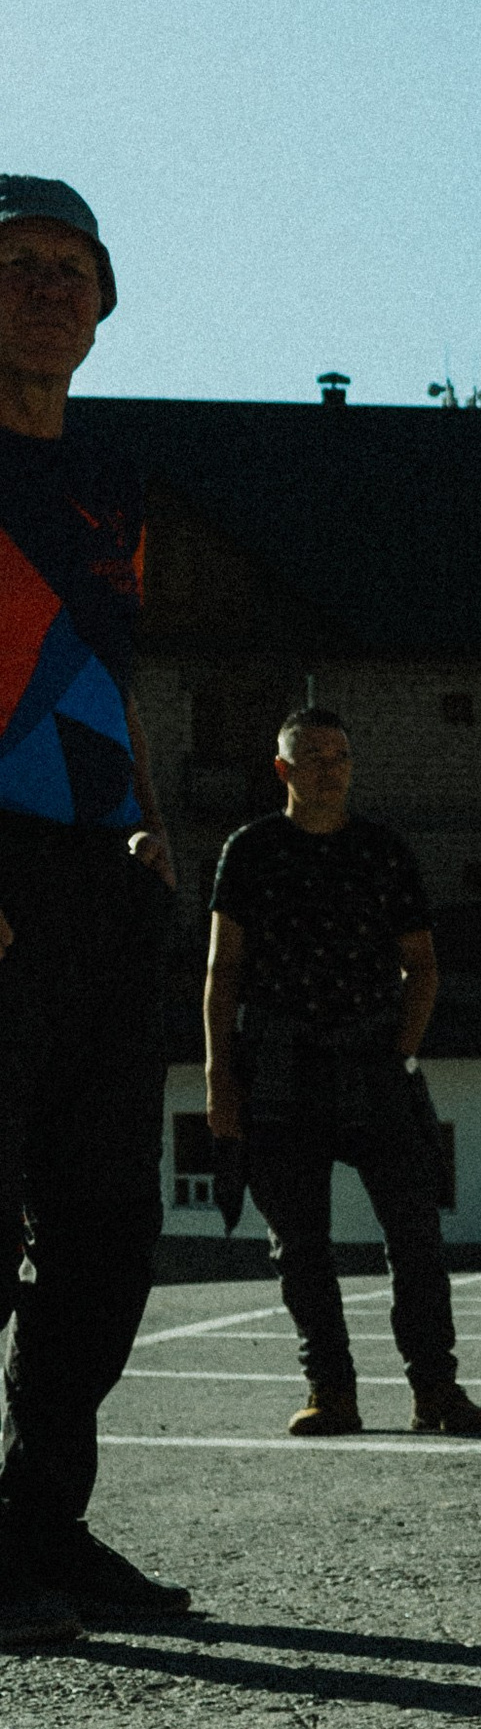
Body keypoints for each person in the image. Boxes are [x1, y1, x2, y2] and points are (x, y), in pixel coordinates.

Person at [0, 175, 191, 1647]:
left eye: (76, 269)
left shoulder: (110, 480)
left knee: (109, 1225)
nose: (52, 289)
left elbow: (104, 664)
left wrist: (153, 810)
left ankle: (43, 1528)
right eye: (19, 265)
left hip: (104, 885)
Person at [205, 711, 481, 1439]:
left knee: (416, 1240)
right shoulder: (250, 851)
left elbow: (421, 965)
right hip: (278, 1065)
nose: (330, 769)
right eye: (314, 757)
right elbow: (223, 970)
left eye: (341, 756)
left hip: (372, 1062)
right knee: (300, 1247)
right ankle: (331, 1392)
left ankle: (436, 1391)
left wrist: (399, 1051)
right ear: (284, 770)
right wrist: (219, 1079)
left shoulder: (382, 852)